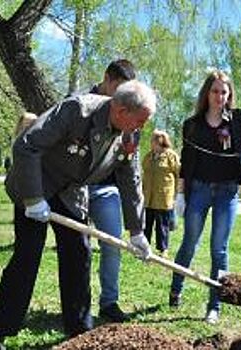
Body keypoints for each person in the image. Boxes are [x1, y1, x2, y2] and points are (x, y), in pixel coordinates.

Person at [0, 80, 156, 350]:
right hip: (36, 182)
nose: (140, 128)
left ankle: (80, 335)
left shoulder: (130, 133)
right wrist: (34, 199)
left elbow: (130, 180)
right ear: (120, 110)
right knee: (27, 257)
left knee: (78, 255)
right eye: (139, 120)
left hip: (72, 193)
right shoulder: (77, 111)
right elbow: (26, 146)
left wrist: (138, 231)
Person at [169, 70, 241, 324]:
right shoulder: (192, 125)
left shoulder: (237, 121)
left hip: (227, 192)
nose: (219, 96)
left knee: (219, 249)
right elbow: (186, 164)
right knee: (189, 243)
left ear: (229, 96)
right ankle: (176, 289)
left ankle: (214, 305)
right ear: (207, 93)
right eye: (215, 91)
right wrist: (181, 195)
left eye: (224, 92)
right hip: (200, 189)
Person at [87, 59, 138, 322]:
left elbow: (129, 170)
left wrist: (137, 229)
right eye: (117, 89)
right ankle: (80, 306)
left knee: (112, 244)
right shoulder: (81, 105)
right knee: (79, 247)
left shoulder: (131, 114)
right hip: (76, 187)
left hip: (106, 188)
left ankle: (109, 302)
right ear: (106, 79)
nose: (122, 98)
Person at [142, 129, 180, 257]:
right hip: (148, 197)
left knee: (162, 225)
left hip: (164, 197)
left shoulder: (171, 156)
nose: (151, 142)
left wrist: (177, 194)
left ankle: (163, 249)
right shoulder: (149, 156)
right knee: (146, 224)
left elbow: (179, 174)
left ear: (160, 141)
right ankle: (144, 246)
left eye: (153, 139)